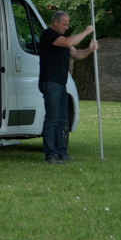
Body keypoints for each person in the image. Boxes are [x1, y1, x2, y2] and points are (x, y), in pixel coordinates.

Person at [39, 11, 98, 164]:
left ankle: (62, 152)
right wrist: (86, 31)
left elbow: (77, 54)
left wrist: (90, 50)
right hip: (50, 82)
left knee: (63, 119)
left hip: (61, 84)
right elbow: (68, 43)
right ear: (55, 23)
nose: (67, 26)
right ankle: (51, 154)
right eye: (64, 23)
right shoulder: (48, 35)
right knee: (52, 119)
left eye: (68, 23)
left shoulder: (63, 40)